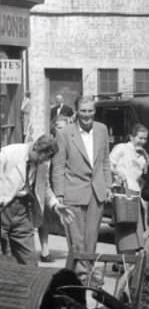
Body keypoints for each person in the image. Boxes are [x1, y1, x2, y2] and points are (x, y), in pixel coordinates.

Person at [51, 95, 112, 280]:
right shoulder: (64, 133)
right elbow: (59, 166)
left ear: (95, 111)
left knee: (91, 238)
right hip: (73, 191)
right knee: (76, 240)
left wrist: (108, 185)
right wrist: (59, 194)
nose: (87, 115)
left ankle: (88, 272)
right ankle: (80, 276)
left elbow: (105, 161)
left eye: (90, 111)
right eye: (83, 111)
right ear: (77, 112)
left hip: (97, 192)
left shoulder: (101, 130)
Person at [0, 136, 73, 266]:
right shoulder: (9, 153)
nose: (42, 162)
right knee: (3, 259)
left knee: (29, 260)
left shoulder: (43, 162)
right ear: (35, 147)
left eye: (46, 160)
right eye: (41, 158)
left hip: (23, 211)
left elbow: (44, 187)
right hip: (4, 208)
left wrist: (55, 205)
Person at [109, 123, 149, 252]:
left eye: (145, 138)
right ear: (131, 137)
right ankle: (123, 256)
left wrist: (146, 157)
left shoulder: (142, 154)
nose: (142, 141)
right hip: (123, 190)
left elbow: (144, 173)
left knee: (136, 225)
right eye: (140, 138)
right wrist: (118, 173)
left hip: (135, 191)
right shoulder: (121, 148)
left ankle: (134, 257)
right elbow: (109, 164)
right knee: (125, 224)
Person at [37, 114, 71, 262]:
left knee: (66, 217)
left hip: (64, 183)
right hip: (46, 181)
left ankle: (73, 250)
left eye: (64, 127)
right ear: (53, 128)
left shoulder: (71, 143)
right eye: (58, 128)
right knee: (43, 218)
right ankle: (45, 249)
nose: (61, 131)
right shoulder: (49, 144)